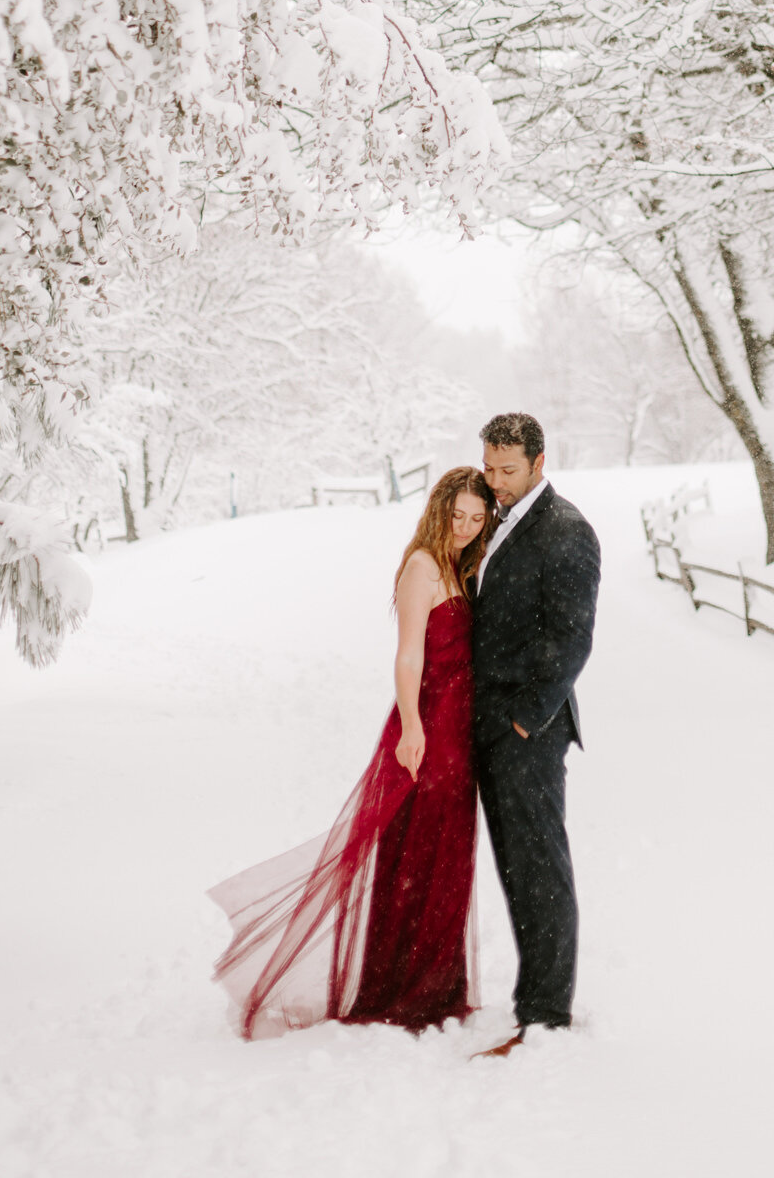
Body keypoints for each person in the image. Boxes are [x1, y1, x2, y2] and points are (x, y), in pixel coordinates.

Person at [209, 466, 494, 1039]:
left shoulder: (461, 568)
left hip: (459, 734)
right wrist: (413, 727)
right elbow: (408, 656)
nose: (463, 527)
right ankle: (402, 988)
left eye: (475, 518)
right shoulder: (421, 567)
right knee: (413, 855)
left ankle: (436, 985)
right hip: (426, 729)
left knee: (447, 858)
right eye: (456, 514)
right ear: (438, 510)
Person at [473, 411, 601, 1053]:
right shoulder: (492, 518)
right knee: (513, 868)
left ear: (539, 464)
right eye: (491, 467)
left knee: (541, 869)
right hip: (485, 723)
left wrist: (526, 718)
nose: (496, 481)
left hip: (531, 728)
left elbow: (572, 639)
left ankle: (548, 1012)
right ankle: (531, 998)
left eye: (508, 470)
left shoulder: (567, 532)